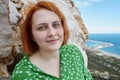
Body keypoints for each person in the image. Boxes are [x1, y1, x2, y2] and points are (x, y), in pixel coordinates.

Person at [11, 1, 93, 80]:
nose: (52, 33)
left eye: (56, 25)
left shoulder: (73, 52)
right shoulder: (22, 74)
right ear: (32, 35)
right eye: (42, 27)